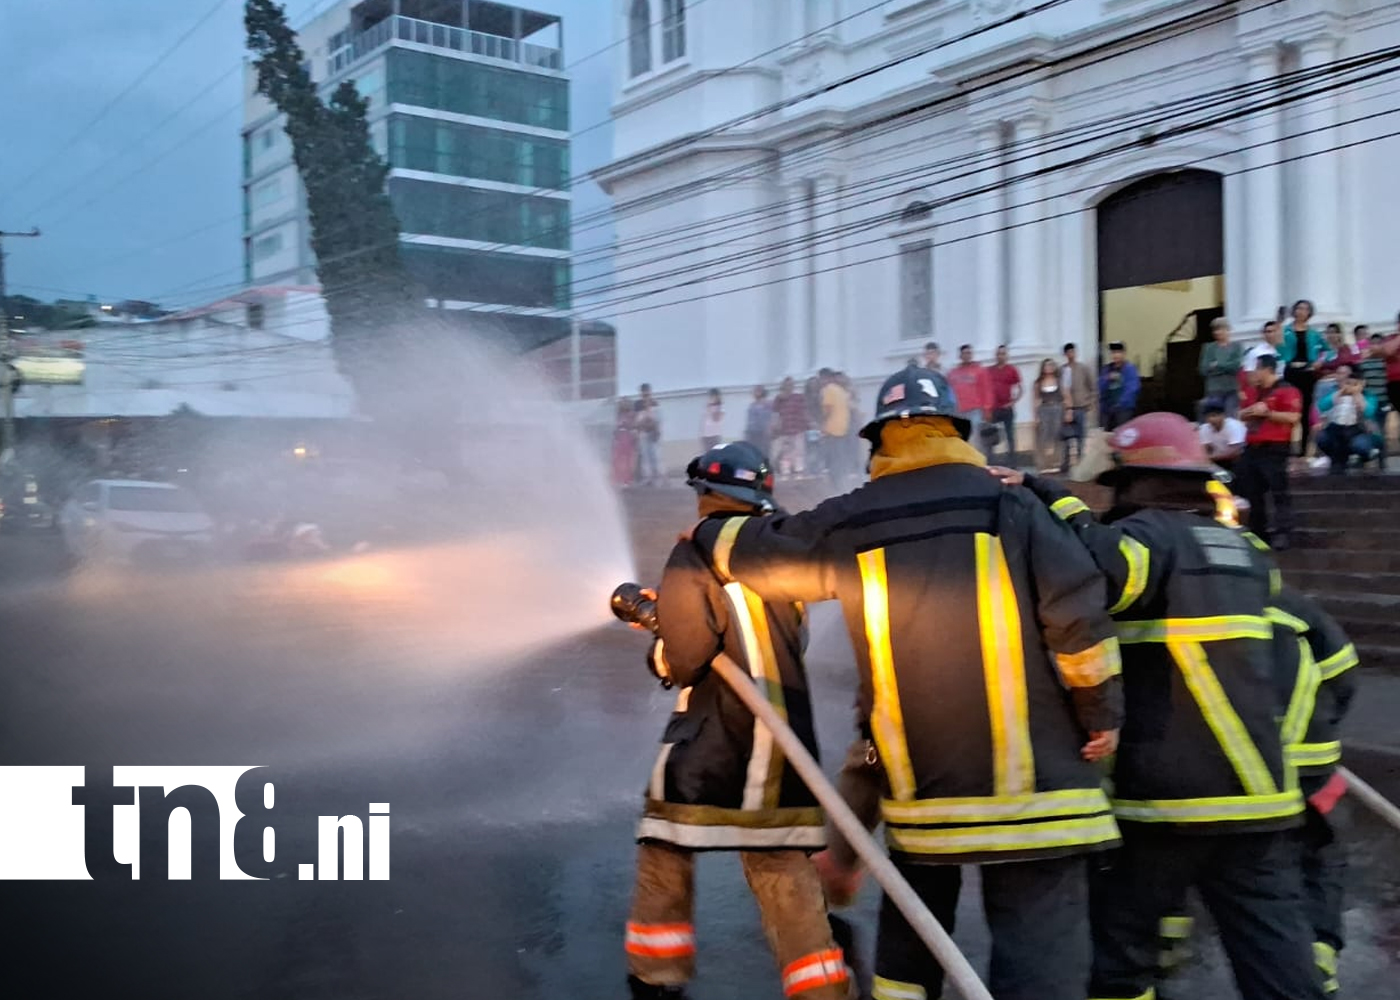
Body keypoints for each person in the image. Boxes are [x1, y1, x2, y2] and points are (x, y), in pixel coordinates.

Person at [688, 366, 1125, 1000]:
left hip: (926, 795)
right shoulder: (1014, 504)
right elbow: (1078, 621)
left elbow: (763, 550)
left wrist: (708, 529)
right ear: (954, 429)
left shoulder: (855, 517)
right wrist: (1100, 715)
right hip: (1045, 795)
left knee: (912, 937)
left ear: (881, 440)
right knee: (1040, 954)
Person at [994, 412, 1324, 1000]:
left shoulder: (1153, 537)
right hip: (1262, 801)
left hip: (1169, 803)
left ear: (1134, 481)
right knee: (1278, 962)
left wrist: (1046, 494)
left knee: (1120, 960)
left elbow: (1098, 567)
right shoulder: (1245, 551)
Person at [628, 442, 847, 1000]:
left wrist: (659, 630)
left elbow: (687, 658)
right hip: (785, 740)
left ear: (705, 493)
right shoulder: (773, 557)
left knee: (665, 847)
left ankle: (657, 976)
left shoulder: (696, 550)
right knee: (781, 866)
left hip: (716, 737)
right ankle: (821, 988)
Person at [1266, 588, 1359, 997]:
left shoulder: (1188, 604)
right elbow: (1343, 674)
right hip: (1311, 766)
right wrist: (1322, 723)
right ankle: (1319, 959)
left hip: (1231, 771)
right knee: (1320, 857)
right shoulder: (1296, 608)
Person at [1238, 355, 1303, 548]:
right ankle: (1258, 532)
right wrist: (1251, 412)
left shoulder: (1287, 390)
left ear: (1267, 369)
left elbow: (1293, 417)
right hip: (1252, 447)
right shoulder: (1255, 392)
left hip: (1274, 447)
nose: (1254, 373)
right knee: (1252, 491)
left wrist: (1268, 413)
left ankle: (1283, 532)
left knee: (1278, 491)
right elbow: (1241, 414)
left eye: (1257, 369)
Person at [1283, 300, 1327, 455]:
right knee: (1287, 408)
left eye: (1305, 309)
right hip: (1291, 372)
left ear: (1310, 313)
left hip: (1308, 373)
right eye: (1299, 308)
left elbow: (1326, 350)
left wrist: (1319, 362)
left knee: (1306, 410)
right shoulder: (1285, 330)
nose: (1301, 311)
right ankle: (1285, 445)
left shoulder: (1314, 333)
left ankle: (1303, 449)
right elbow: (1278, 347)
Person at [1315, 366, 1378, 474]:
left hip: (1357, 430)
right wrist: (1341, 392)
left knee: (1361, 445)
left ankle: (1363, 458)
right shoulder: (1335, 394)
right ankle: (1336, 459)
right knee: (1322, 437)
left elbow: (1369, 412)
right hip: (1336, 430)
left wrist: (1357, 394)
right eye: (1349, 383)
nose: (1351, 387)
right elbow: (1322, 406)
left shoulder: (1368, 396)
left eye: (1355, 384)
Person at [947, 344, 994, 451]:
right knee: (962, 439)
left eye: (969, 353)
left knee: (976, 439)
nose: (967, 355)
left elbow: (987, 390)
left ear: (972, 355)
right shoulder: (953, 373)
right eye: (964, 353)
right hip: (958, 412)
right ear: (960, 355)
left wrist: (987, 409)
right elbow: (949, 392)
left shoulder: (980, 371)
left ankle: (979, 464)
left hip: (975, 410)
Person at [1062, 343, 1097, 470]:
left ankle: (1081, 463)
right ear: (1065, 354)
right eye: (1069, 352)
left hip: (1081, 407)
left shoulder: (1083, 369)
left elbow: (1092, 387)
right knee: (1066, 437)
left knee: (1081, 437)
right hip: (1067, 409)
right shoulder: (1063, 370)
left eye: (1073, 352)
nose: (1071, 354)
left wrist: (1090, 403)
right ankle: (1065, 463)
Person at [1199, 318, 1244, 417]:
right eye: (1215, 330)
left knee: (1230, 418)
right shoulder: (1209, 348)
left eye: (1220, 329)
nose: (1217, 332)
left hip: (1232, 388)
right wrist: (1226, 366)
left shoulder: (1237, 346)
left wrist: (1217, 365)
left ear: (1228, 330)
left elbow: (1235, 367)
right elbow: (1203, 369)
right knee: (1215, 418)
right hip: (1214, 389)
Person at [988, 344, 1023, 463]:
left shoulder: (1012, 370)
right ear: (995, 355)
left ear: (1007, 355)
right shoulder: (989, 370)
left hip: (1006, 408)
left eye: (1003, 354)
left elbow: (1020, 388)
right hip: (993, 409)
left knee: (1010, 436)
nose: (1000, 356)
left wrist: (1013, 402)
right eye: (998, 354)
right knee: (991, 435)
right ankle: (991, 461)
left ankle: (1013, 462)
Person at [819, 368, 852, 490]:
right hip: (843, 428)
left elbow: (827, 409)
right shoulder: (841, 390)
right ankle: (842, 483)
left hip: (831, 429)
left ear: (826, 377)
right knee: (839, 457)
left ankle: (836, 486)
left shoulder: (827, 390)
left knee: (832, 459)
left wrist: (822, 425)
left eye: (821, 378)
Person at [1034, 357, 1069, 472]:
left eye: (1051, 365)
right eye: (1046, 365)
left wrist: (1068, 410)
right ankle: (1043, 464)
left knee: (1057, 434)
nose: (1049, 367)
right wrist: (1036, 416)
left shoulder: (1059, 381)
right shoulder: (1038, 383)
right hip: (1044, 408)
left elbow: (1065, 395)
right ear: (1043, 368)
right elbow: (1036, 399)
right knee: (1043, 435)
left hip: (1057, 408)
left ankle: (1056, 462)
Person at [773, 376, 810, 478]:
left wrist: (808, 423)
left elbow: (804, 411)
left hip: (798, 428)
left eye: (791, 384)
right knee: (785, 453)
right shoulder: (779, 398)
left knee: (798, 451)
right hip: (784, 430)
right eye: (787, 385)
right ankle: (786, 472)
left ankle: (799, 472)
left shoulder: (798, 397)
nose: (789, 386)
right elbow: (775, 413)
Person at [1098, 342, 1140, 430]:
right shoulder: (1106, 369)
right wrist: (1107, 379)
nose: (1115, 355)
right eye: (1113, 352)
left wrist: (1120, 403)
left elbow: (1132, 389)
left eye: (1118, 352)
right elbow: (1099, 387)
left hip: (1123, 410)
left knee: (1122, 434)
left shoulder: (1129, 369)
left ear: (1124, 354)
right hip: (1107, 410)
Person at [1199, 402, 1247, 475]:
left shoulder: (1234, 426)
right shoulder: (1204, 428)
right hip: (1218, 460)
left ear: (1223, 415)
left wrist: (1210, 458)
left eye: (1214, 416)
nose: (1211, 419)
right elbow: (1206, 448)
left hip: (1238, 459)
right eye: (1207, 416)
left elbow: (1236, 452)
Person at [636, 385, 663, 486]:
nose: (645, 395)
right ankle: (647, 477)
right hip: (643, 433)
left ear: (650, 392)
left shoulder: (655, 403)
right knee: (645, 457)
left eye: (647, 392)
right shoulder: (638, 405)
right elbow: (637, 421)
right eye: (643, 392)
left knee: (655, 456)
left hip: (653, 433)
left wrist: (657, 430)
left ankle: (657, 477)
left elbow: (658, 420)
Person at [613, 398, 639, 487]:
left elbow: (633, 427)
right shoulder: (618, 416)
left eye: (625, 403)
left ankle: (626, 481)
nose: (623, 405)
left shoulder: (631, 415)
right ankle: (618, 479)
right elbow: (616, 429)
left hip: (628, 438)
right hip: (620, 438)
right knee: (618, 461)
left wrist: (626, 425)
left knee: (627, 462)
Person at [745, 385, 775, 458]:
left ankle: (764, 469)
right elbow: (750, 421)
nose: (754, 393)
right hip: (753, 434)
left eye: (757, 390)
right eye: (754, 391)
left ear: (762, 392)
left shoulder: (768, 404)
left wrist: (769, 429)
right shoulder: (752, 405)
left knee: (764, 453)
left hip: (763, 434)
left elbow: (771, 418)